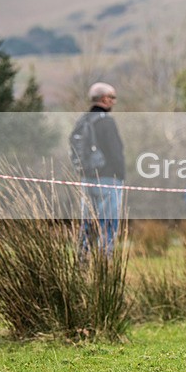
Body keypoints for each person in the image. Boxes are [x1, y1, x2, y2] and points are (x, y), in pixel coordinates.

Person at [77, 82, 125, 257]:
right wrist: (120, 175)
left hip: (86, 178)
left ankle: (82, 262)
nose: (114, 101)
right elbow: (116, 151)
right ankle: (105, 265)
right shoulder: (106, 122)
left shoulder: (83, 120)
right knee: (108, 225)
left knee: (87, 224)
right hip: (107, 179)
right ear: (104, 99)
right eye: (112, 97)